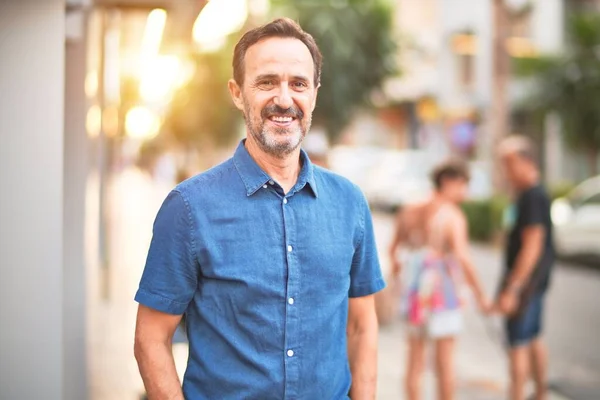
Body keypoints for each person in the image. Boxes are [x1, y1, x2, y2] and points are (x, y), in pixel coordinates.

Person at [133, 18, 385, 400]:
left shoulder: (350, 203)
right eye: (267, 82)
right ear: (237, 93)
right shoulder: (188, 208)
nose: (284, 99)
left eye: (298, 83)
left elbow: (362, 327)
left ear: (314, 94)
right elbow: (151, 338)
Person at [389, 160, 490, 400]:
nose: (465, 192)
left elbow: (393, 251)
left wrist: (402, 281)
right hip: (442, 292)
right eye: (463, 185)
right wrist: (480, 295)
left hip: (415, 292)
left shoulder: (410, 210)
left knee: (415, 359)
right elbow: (463, 258)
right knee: (444, 363)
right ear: (448, 182)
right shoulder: (452, 216)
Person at [496, 135, 554, 400]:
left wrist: (513, 289)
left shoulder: (532, 196)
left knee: (518, 344)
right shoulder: (531, 194)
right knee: (532, 337)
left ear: (526, 161)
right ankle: (540, 393)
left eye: (508, 164)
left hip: (525, 285)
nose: (505, 171)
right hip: (534, 284)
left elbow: (533, 246)